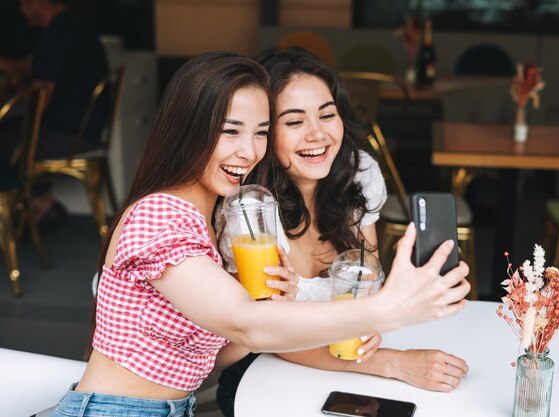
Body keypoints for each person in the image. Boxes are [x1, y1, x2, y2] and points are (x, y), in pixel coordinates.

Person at [50, 51, 469, 416]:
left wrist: (272, 302)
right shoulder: (160, 215)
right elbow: (246, 324)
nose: (249, 152)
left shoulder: (209, 215)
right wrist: (389, 309)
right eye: (230, 131)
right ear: (188, 129)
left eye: (260, 133)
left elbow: (225, 349)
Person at [216, 47, 470, 417]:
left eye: (327, 114)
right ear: (265, 134)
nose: (318, 134)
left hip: (345, 373)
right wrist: (394, 363)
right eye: (294, 121)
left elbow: (364, 289)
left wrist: (373, 325)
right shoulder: (250, 214)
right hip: (265, 377)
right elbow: (269, 338)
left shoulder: (358, 176)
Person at [0, 0, 108, 221]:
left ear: (39, 3)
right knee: (12, 130)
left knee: (7, 140)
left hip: (69, 135)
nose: (21, 10)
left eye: (24, 4)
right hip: (86, 127)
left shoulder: (56, 35)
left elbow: (39, 103)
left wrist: (17, 83)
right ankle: (40, 202)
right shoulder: (76, 26)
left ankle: (27, 209)